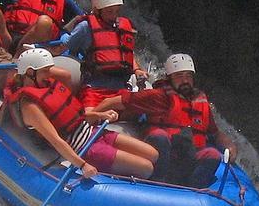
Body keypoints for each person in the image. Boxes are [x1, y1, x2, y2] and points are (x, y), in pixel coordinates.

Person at [0, 48, 157, 179]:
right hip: (85, 149)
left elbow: (77, 117)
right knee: (146, 168)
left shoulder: (47, 85)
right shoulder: (29, 106)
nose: (49, 74)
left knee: (153, 154)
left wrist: (100, 115)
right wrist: (83, 164)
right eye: (45, 71)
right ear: (30, 73)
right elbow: (56, 140)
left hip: (94, 132)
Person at [97, 53, 234, 187]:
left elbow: (215, 133)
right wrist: (92, 117)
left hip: (187, 156)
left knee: (213, 155)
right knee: (159, 136)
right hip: (161, 154)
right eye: (179, 76)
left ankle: (192, 192)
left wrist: (229, 145)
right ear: (169, 78)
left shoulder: (200, 100)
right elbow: (113, 101)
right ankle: (155, 185)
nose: (185, 80)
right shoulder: (158, 96)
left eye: (188, 75)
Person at [57, 0, 148, 108]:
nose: (114, 16)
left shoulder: (122, 27)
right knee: (89, 117)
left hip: (121, 88)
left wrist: (137, 70)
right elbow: (65, 48)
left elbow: (127, 53)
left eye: (116, 11)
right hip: (94, 88)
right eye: (109, 11)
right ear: (97, 10)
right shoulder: (85, 27)